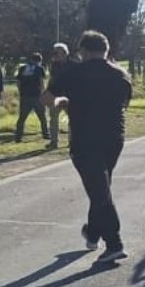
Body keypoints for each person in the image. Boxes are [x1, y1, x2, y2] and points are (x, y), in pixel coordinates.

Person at [42, 31, 133, 264]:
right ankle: (93, 233)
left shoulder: (72, 72)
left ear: (82, 51)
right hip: (114, 137)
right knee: (101, 187)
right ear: (106, 49)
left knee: (99, 191)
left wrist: (63, 103)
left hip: (85, 137)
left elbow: (47, 99)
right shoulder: (121, 74)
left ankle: (114, 243)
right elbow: (124, 104)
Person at [15, 52, 49, 142]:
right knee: (42, 117)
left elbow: (18, 82)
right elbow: (42, 82)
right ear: (39, 61)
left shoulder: (22, 68)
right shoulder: (40, 68)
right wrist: (44, 93)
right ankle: (45, 134)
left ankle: (18, 136)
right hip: (37, 95)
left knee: (22, 117)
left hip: (25, 95)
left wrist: (21, 92)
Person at [48, 43, 75, 149]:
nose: (54, 55)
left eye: (56, 52)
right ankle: (54, 142)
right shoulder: (54, 65)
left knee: (72, 119)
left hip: (70, 96)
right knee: (53, 119)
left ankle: (72, 141)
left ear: (64, 53)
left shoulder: (73, 65)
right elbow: (52, 79)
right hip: (56, 96)